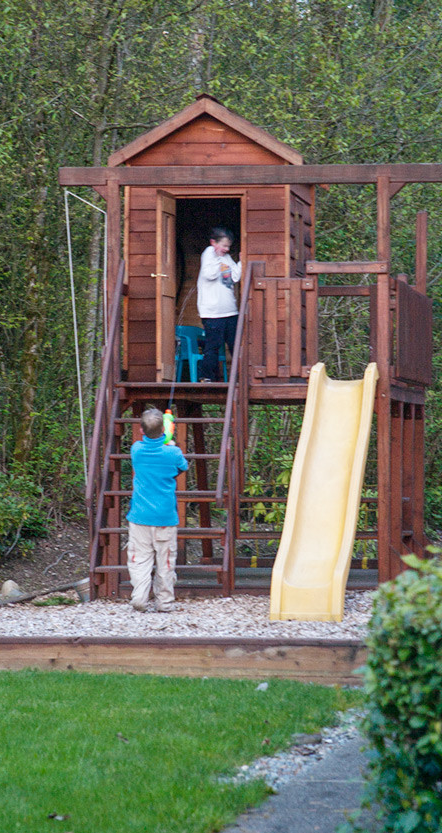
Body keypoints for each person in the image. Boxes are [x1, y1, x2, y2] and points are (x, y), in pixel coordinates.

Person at [127, 407, 189, 612]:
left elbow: (150, 446)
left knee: (139, 560)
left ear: (141, 430)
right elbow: (182, 467)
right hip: (165, 517)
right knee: (165, 562)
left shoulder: (136, 449)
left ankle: (139, 597)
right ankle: (164, 602)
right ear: (164, 428)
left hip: (139, 517)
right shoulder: (173, 452)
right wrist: (170, 442)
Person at [197, 227, 241, 382]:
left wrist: (242, 261)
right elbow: (209, 275)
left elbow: (235, 277)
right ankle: (206, 377)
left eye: (228, 246)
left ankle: (239, 377)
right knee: (213, 346)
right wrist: (217, 257)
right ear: (213, 243)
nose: (226, 249)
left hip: (230, 311)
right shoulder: (209, 253)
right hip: (213, 312)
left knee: (235, 345)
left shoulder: (226, 257)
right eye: (223, 245)